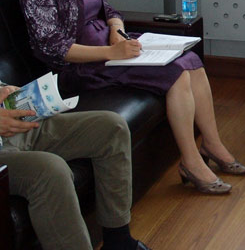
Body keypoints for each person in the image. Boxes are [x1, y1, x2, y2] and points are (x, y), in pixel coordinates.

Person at [18, 0, 245, 197]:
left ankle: (212, 144)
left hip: (110, 49)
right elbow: (51, 47)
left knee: (191, 62)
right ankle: (191, 162)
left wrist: (117, 31)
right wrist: (111, 52)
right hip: (79, 67)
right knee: (175, 74)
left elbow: (110, 10)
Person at [0, 81, 150, 250]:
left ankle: (119, 242)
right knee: (50, 170)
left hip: (14, 127)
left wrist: (6, 90)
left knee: (112, 127)